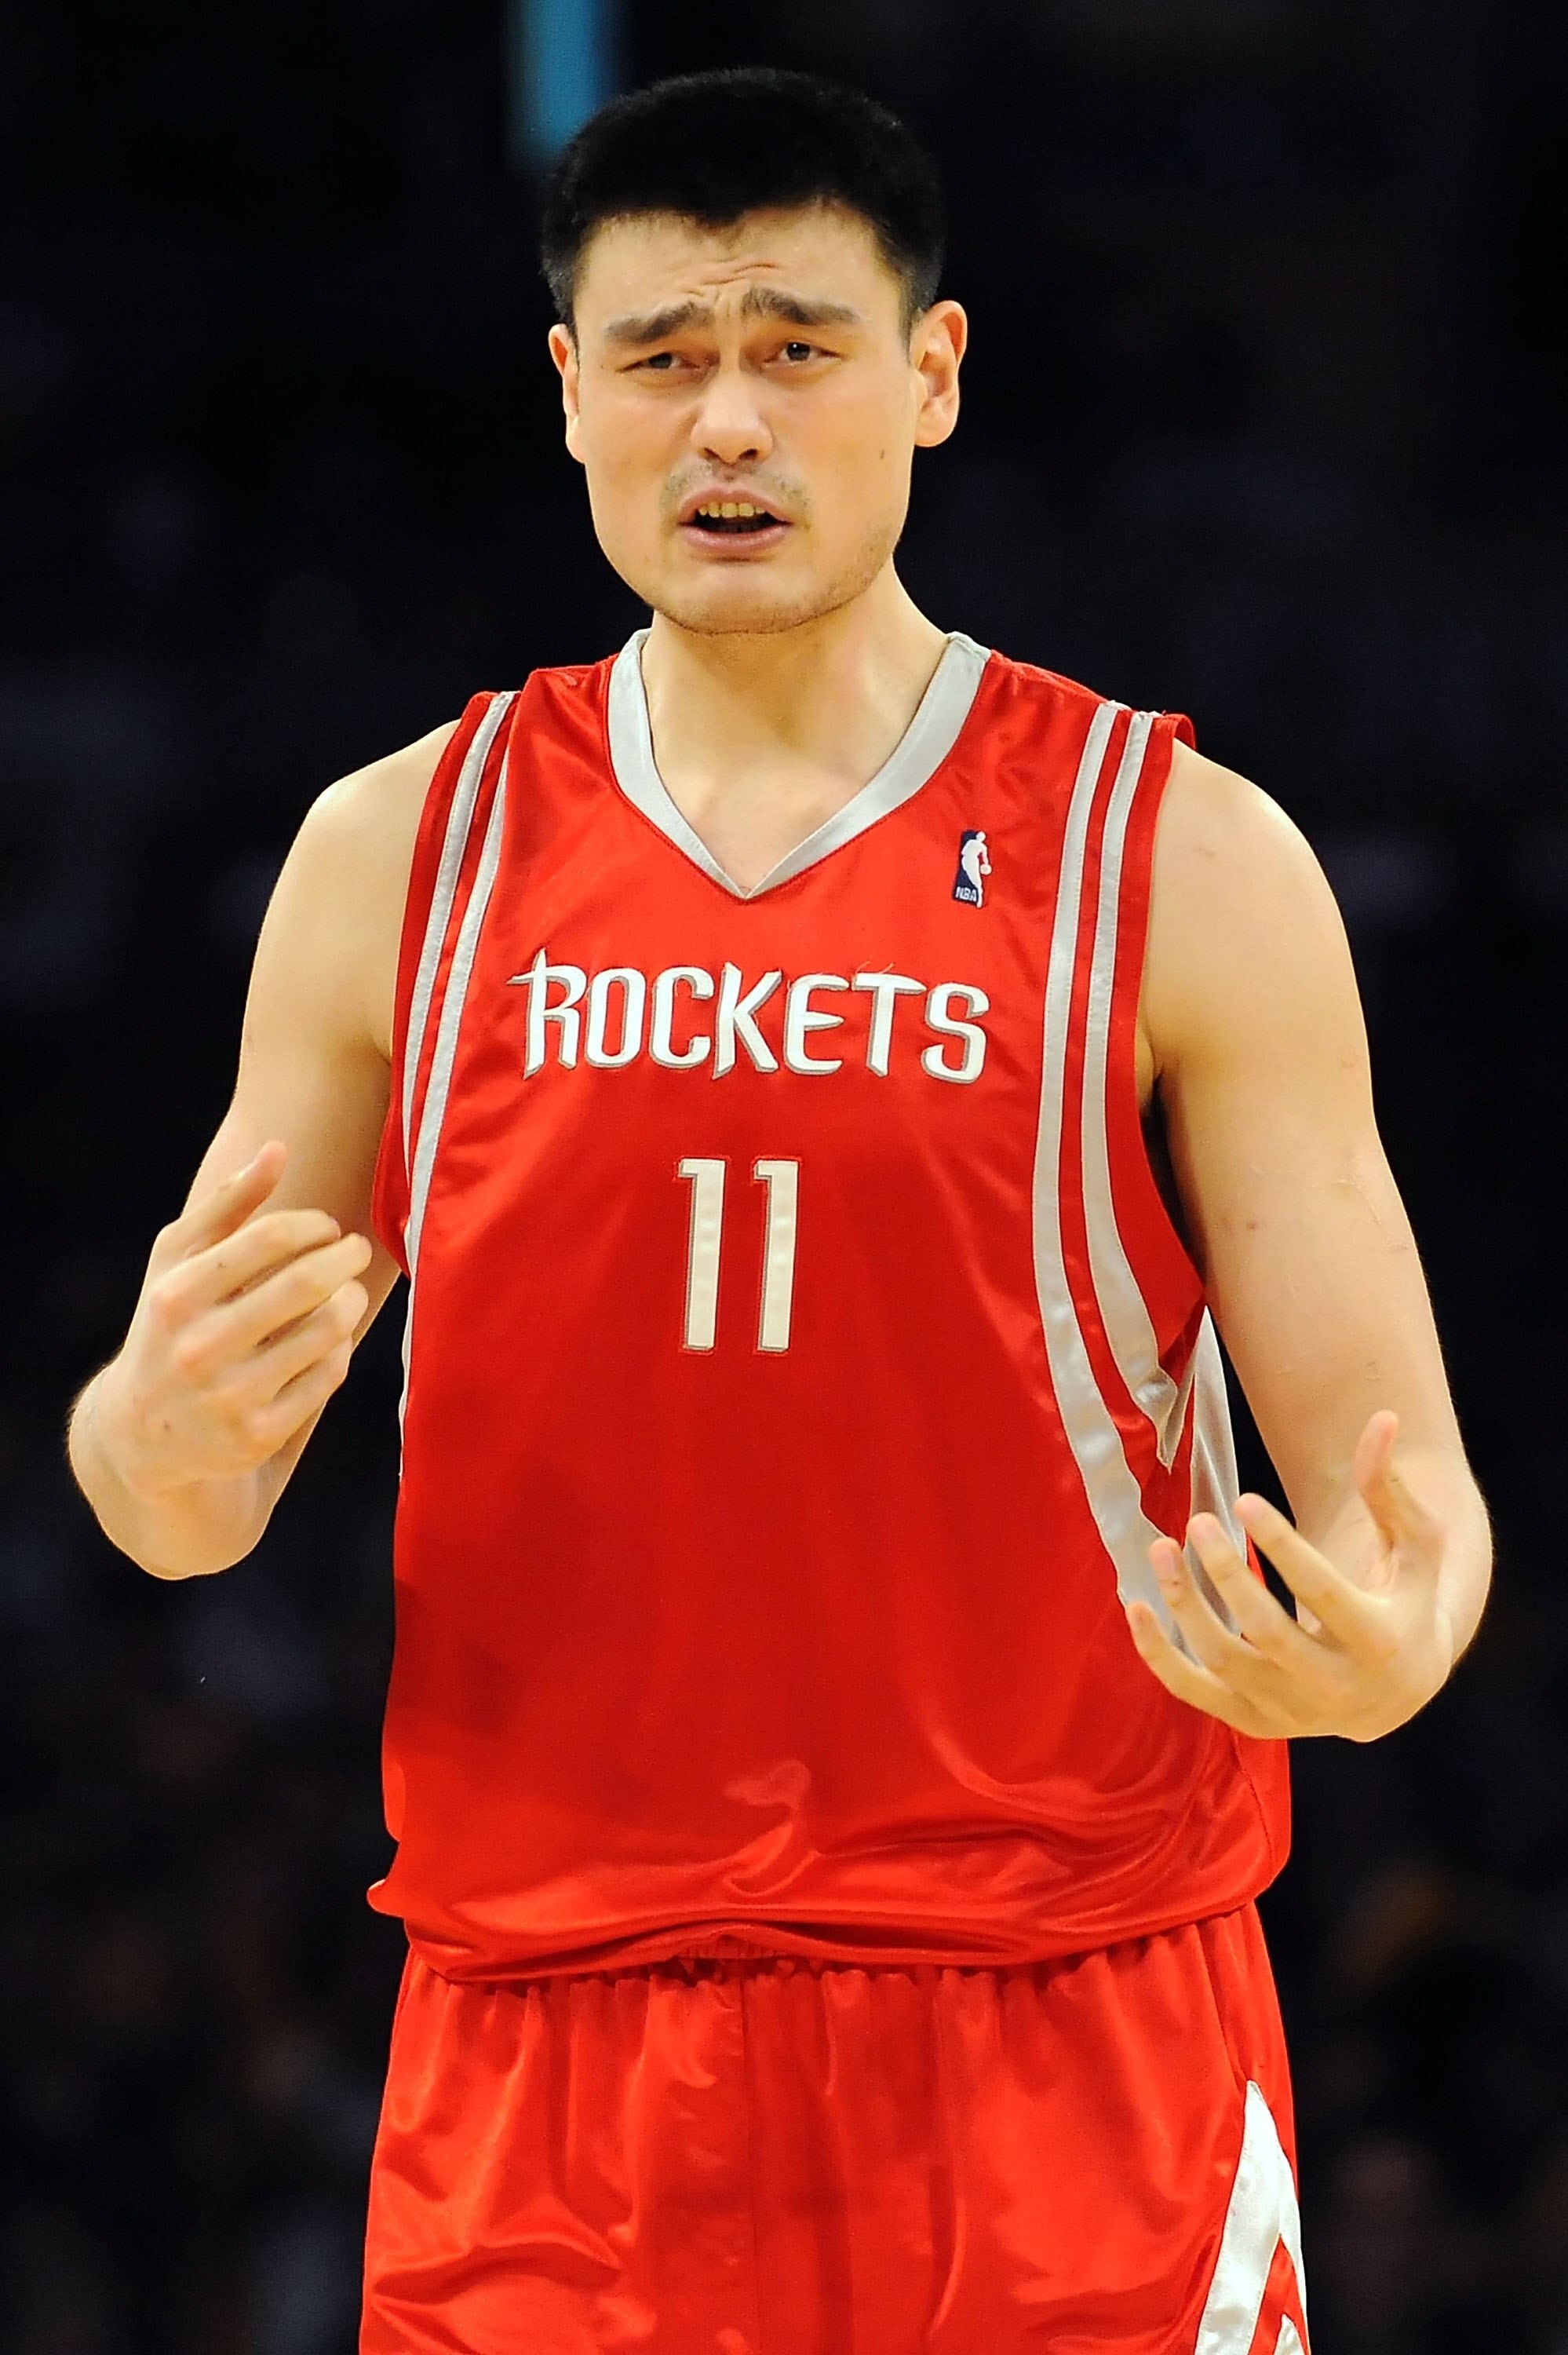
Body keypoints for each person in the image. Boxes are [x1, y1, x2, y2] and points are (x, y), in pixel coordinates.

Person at [67, 65, 1490, 2355]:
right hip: (549, 2043)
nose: (727, 419)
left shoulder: (1179, 857)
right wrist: (152, 1444)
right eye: (661, 356)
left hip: (1062, 2014)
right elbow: (173, 1496)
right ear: (567, 397)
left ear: (928, 372)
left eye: (798, 347)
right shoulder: (394, 859)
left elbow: (1407, 1494)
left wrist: (1398, 1632)